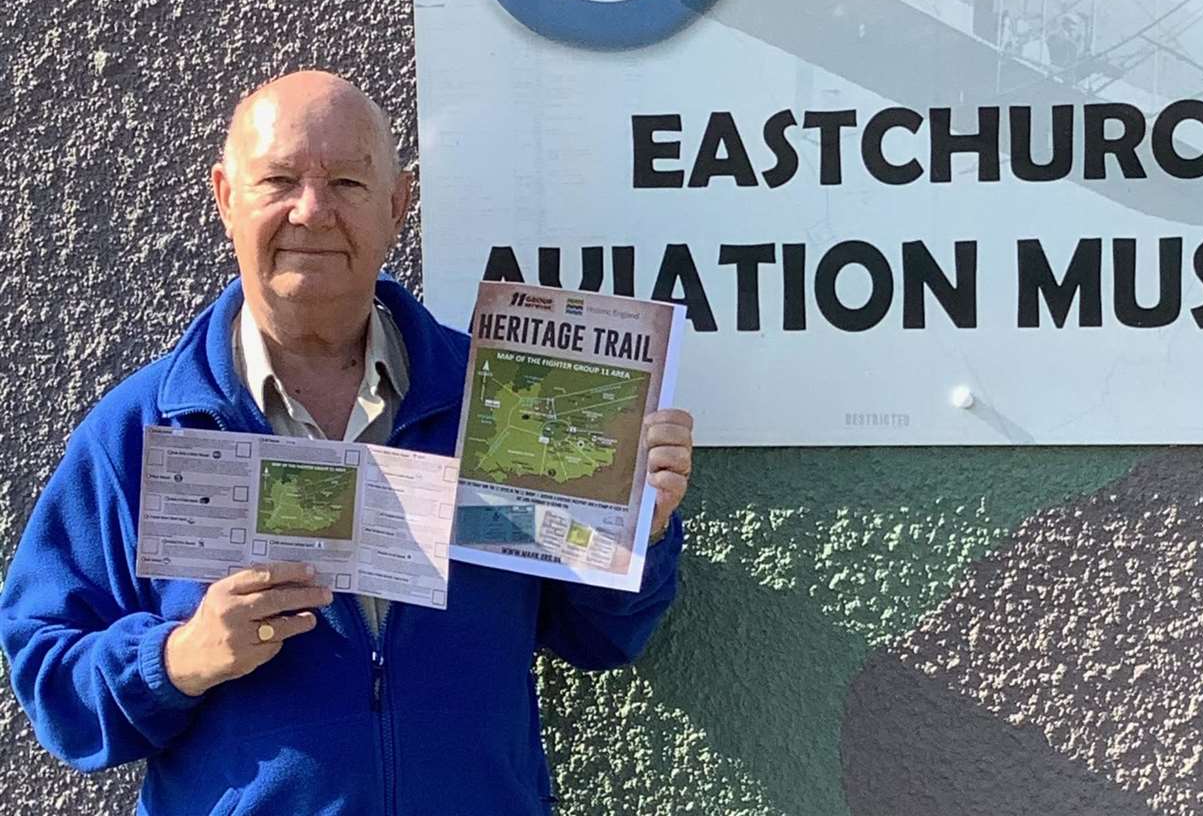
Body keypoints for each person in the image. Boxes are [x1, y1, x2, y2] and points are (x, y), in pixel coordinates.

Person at [0, 71, 694, 815]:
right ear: (225, 198)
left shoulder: (497, 405)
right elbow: (47, 672)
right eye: (278, 180)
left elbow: (597, 639)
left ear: (398, 206)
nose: (312, 210)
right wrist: (177, 659)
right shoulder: (145, 427)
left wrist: (636, 534)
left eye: (346, 183)